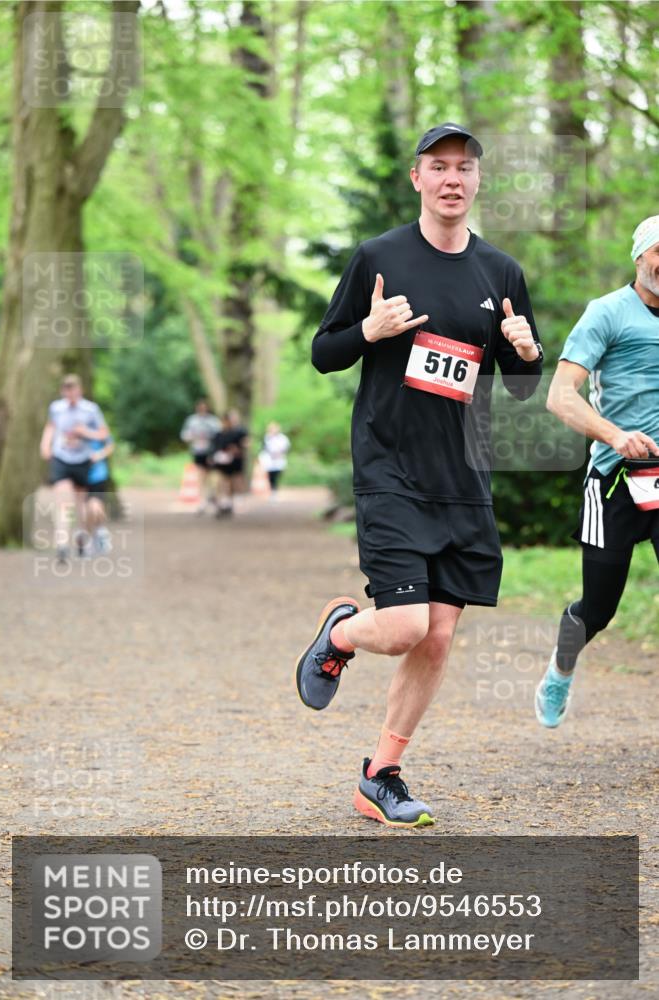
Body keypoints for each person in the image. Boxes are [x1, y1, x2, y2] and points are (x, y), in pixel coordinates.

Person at [294, 123, 543, 828]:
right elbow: (322, 353)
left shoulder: (499, 272)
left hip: (462, 477)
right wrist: (367, 334)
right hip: (390, 467)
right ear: (417, 178)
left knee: (436, 637)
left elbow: (520, 388)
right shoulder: (378, 257)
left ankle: (380, 774)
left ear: (476, 181)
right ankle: (342, 634)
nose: (451, 179)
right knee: (403, 626)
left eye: (463, 167)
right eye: (438, 166)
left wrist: (524, 353)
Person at [535, 216, 659, 728]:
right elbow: (559, 396)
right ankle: (562, 667)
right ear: (640, 256)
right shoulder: (608, 313)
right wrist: (614, 435)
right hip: (614, 481)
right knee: (598, 608)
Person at [39, 374, 109, 563]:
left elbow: (104, 434)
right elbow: (51, 427)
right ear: (62, 390)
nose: (69, 392)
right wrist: (45, 445)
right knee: (63, 501)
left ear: (79, 389)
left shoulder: (91, 410)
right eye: (66, 388)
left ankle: (82, 539)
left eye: (73, 388)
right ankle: (62, 544)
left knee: (81, 506)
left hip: (82, 461)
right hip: (61, 459)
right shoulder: (56, 408)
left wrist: (84, 432)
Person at [180, 399, 222, 514]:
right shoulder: (192, 420)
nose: (202, 409)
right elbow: (184, 435)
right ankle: (204, 499)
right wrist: (191, 437)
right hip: (198, 452)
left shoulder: (213, 421)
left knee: (213, 476)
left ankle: (213, 497)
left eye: (204, 407)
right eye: (200, 407)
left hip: (211, 452)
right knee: (201, 475)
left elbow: (219, 435)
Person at [212, 409, 249, 517]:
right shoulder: (220, 433)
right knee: (224, 480)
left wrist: (238, 448)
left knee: (237, 479)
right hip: (223, 460)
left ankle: (238, 501)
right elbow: (215, 446)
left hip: (236, 459)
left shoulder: (241, 431)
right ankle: (226, 501)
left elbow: (246, 442)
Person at [85, 430, 115, 555]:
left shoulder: (98, 426)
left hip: (97, 473)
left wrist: (98, 455)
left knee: (94, 502)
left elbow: (110, 445)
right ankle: (98, 532)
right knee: (90, 504)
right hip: (81, 474)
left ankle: (99, 532)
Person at [259, 422, 291, 499]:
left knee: (277, 475)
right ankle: (273, 491)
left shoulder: (283, 438)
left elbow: (286, 448)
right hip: (269, 460)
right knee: (271, 476)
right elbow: (264, 448)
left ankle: (275, 490)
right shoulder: (267, 437)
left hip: (279, 460)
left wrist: (280, 453)